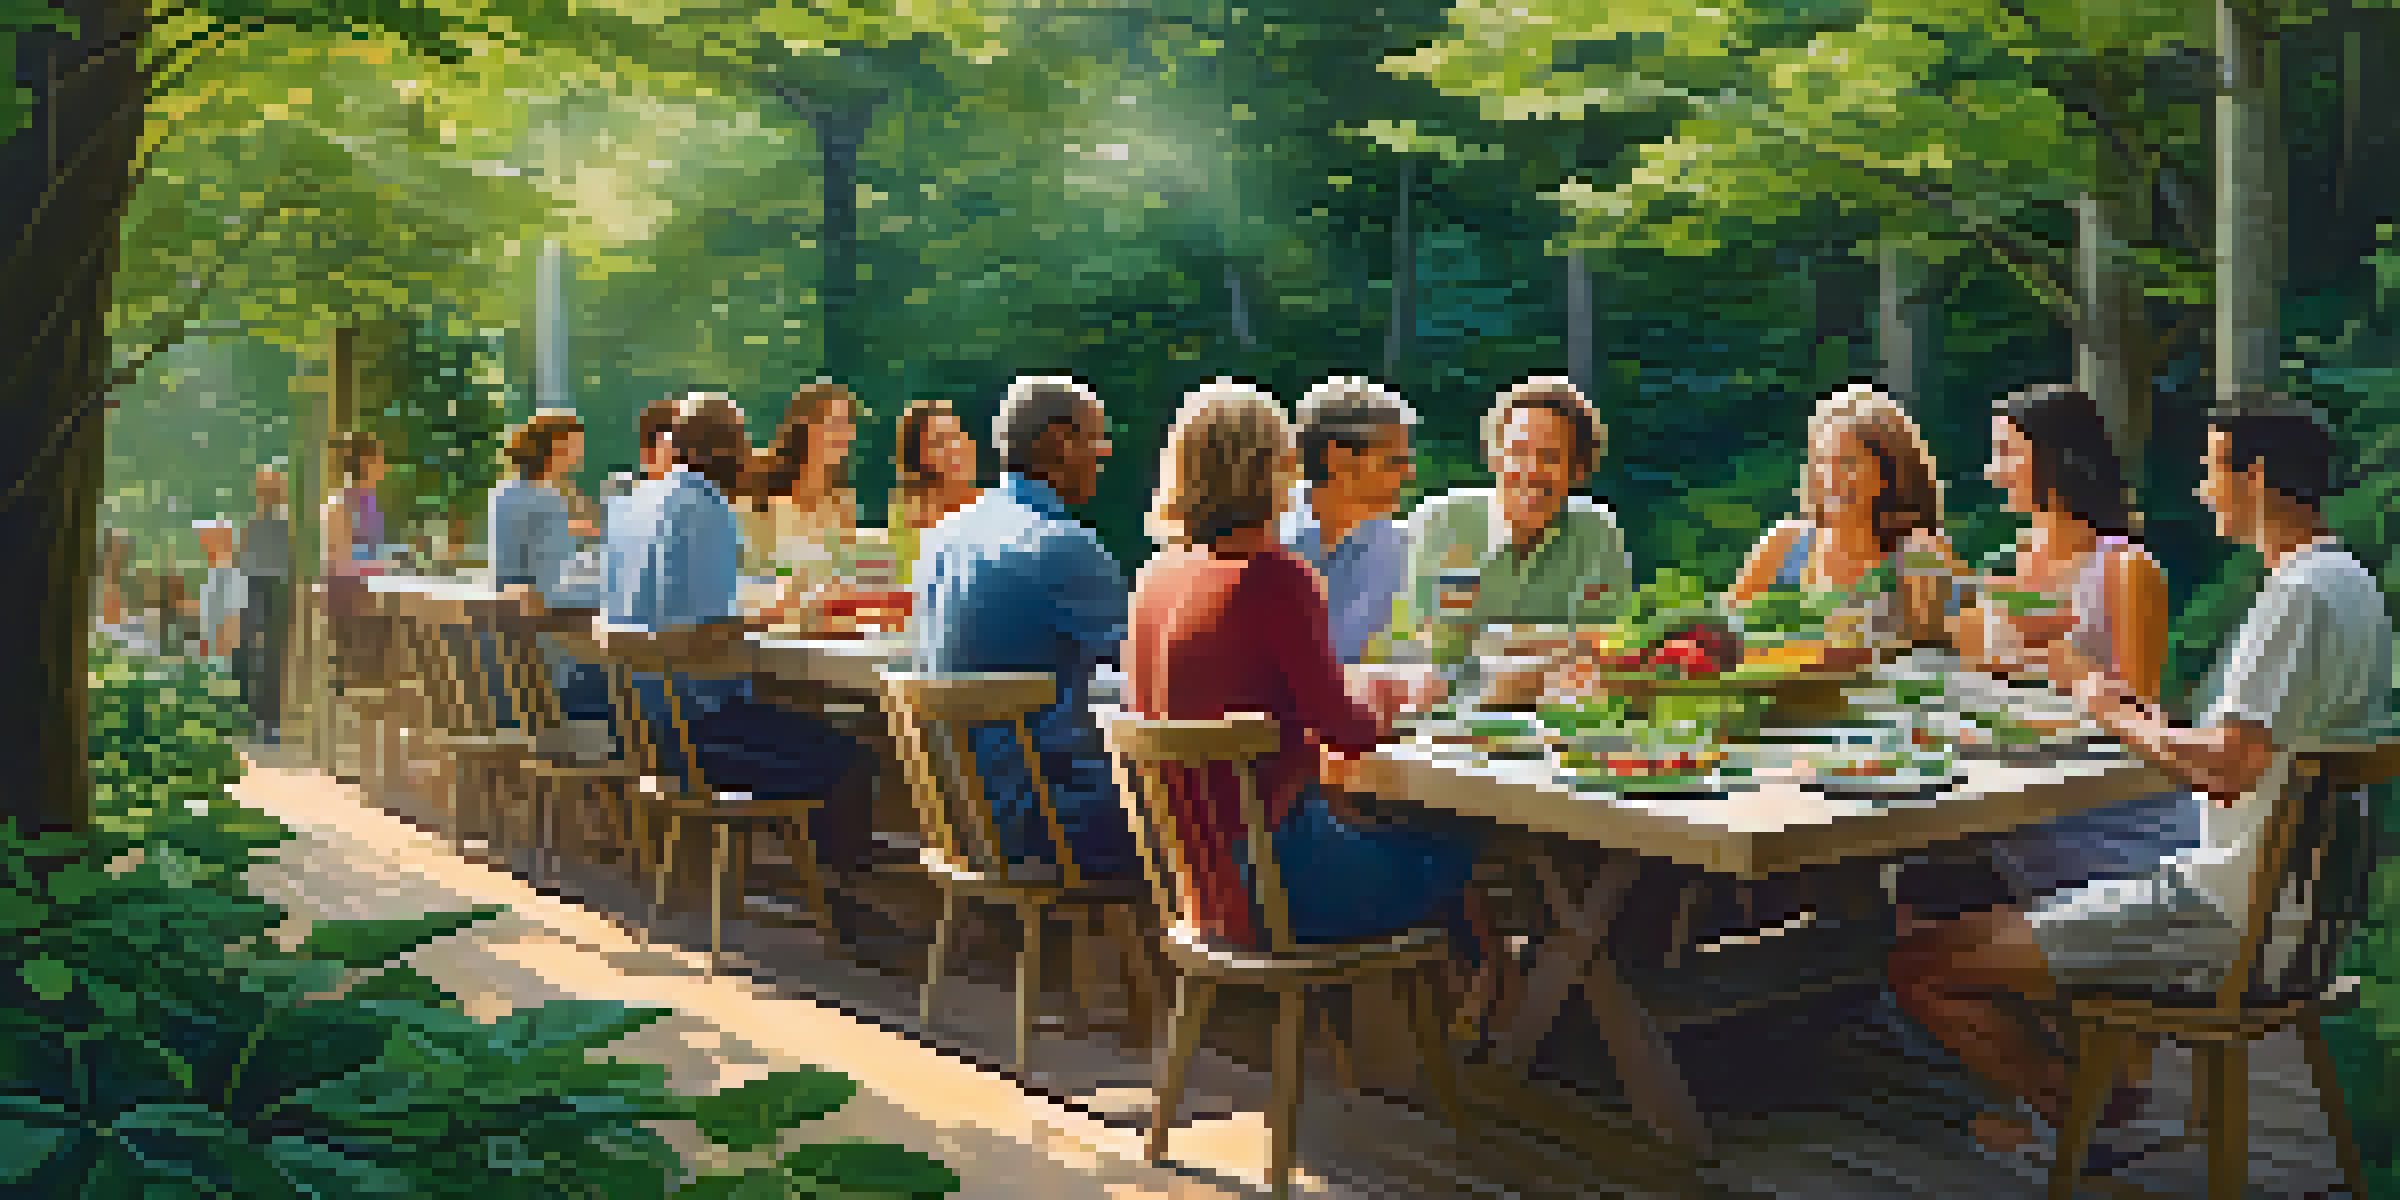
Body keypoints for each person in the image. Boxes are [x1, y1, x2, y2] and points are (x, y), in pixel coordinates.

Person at [1886, 404, 2394, 1164]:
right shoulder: (2349, 583)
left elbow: (2225, 768)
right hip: (2291, 915)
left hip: (2223, 914)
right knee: (1998, 897)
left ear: (2252, 477)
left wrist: (2104, 707)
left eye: (2210, 469)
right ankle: (2103, 1101)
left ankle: (2080, 1126)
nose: (2202, 490)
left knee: (1921, 966)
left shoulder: (2299, 598)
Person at [1129, 378, 1488, 965]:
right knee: (1469, 844)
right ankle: (1483, 1033)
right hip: (1280, 882)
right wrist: (1407, 716)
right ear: (1276, 468)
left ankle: (1407, 1027)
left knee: (1395, 833)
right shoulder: (1275, 576)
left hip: (1197, 886)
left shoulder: (1157, 578)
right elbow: (1343, 729)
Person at [1912, 385, 2192, 919]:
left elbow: (2140, 707)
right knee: (1916, 873)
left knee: (1933, 879)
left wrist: (2072, 668)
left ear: (2059, 458)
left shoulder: (2124, 567)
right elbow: (1983, 668)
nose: (1994, 471)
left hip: (2104, 807)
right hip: (2012, 781)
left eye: (2007, 452)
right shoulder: (2010, 564)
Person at [600, 391, 876, 878]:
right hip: (695, 734)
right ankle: (844, 911)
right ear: (725, 452)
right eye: (744, 444)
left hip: (636, 728)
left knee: (809, 728)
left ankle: (800, 887)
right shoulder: (706, 509)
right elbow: (700, 636)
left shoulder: (630, 506)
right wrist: (770, 616)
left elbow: (655, 617)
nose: (752, 457)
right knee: (850, 756)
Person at [912, 375, 1137, 878]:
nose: (1101, 456)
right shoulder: (1060, 547)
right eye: (1094, 439)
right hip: (1040, 823)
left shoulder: (941, 539)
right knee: (1201, 814)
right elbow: (1157, 667)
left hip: (954, 814)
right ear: (1059, 440)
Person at [1726, 383, 1960, 642]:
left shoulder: (1924, 555)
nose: (1832, 477)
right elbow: (1720, 639)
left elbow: (1952, 650)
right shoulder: (1782, 546)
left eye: (1848, 462)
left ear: (1889, 474)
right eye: (1824, 461)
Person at [1406, 376, 1634, 630]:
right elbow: (1425, 639)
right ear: (1493, 457)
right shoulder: (1439, 524)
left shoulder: (1599, 532)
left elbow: (1606, 640)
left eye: (1550, 456)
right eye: (1518, 452)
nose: (1532, 470)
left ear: (1579, 470)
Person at [1279, 376, 1418, 666]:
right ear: (1339, 460)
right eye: (1394, 462)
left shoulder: (1400, 549)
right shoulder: (1261, 544)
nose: (1409, 474)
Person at [740, 382, 866, 629]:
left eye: (848, 425)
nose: (844, 435)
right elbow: (750, 577)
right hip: (768, 631)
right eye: (834, 424)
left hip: (821, 630)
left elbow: (844, 578)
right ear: (804, 427)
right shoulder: (760, 492)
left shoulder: (841, 502)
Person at [889, 396, 984, 588]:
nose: (955, 447)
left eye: (957, 435)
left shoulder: (987, 504)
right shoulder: (909, 518)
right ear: (920, 457)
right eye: (940, 441)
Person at [236, 469, 293, 741]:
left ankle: (270, 719)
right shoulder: (255, 523)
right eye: (263, 488)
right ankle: (256, 716)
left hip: (274, 590)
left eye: (269, 488)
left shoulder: (285, 523)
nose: (265, 494)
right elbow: (242, 562)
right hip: (256, 589)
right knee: (254, 652)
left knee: (271, 655)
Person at [192, 520, 247, 663]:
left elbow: (232, 621)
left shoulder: (229, 575)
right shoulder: (215, 573)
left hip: (223, 657)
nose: (202, 545)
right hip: (213, 653)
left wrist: (215, 653)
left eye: (206, 539)